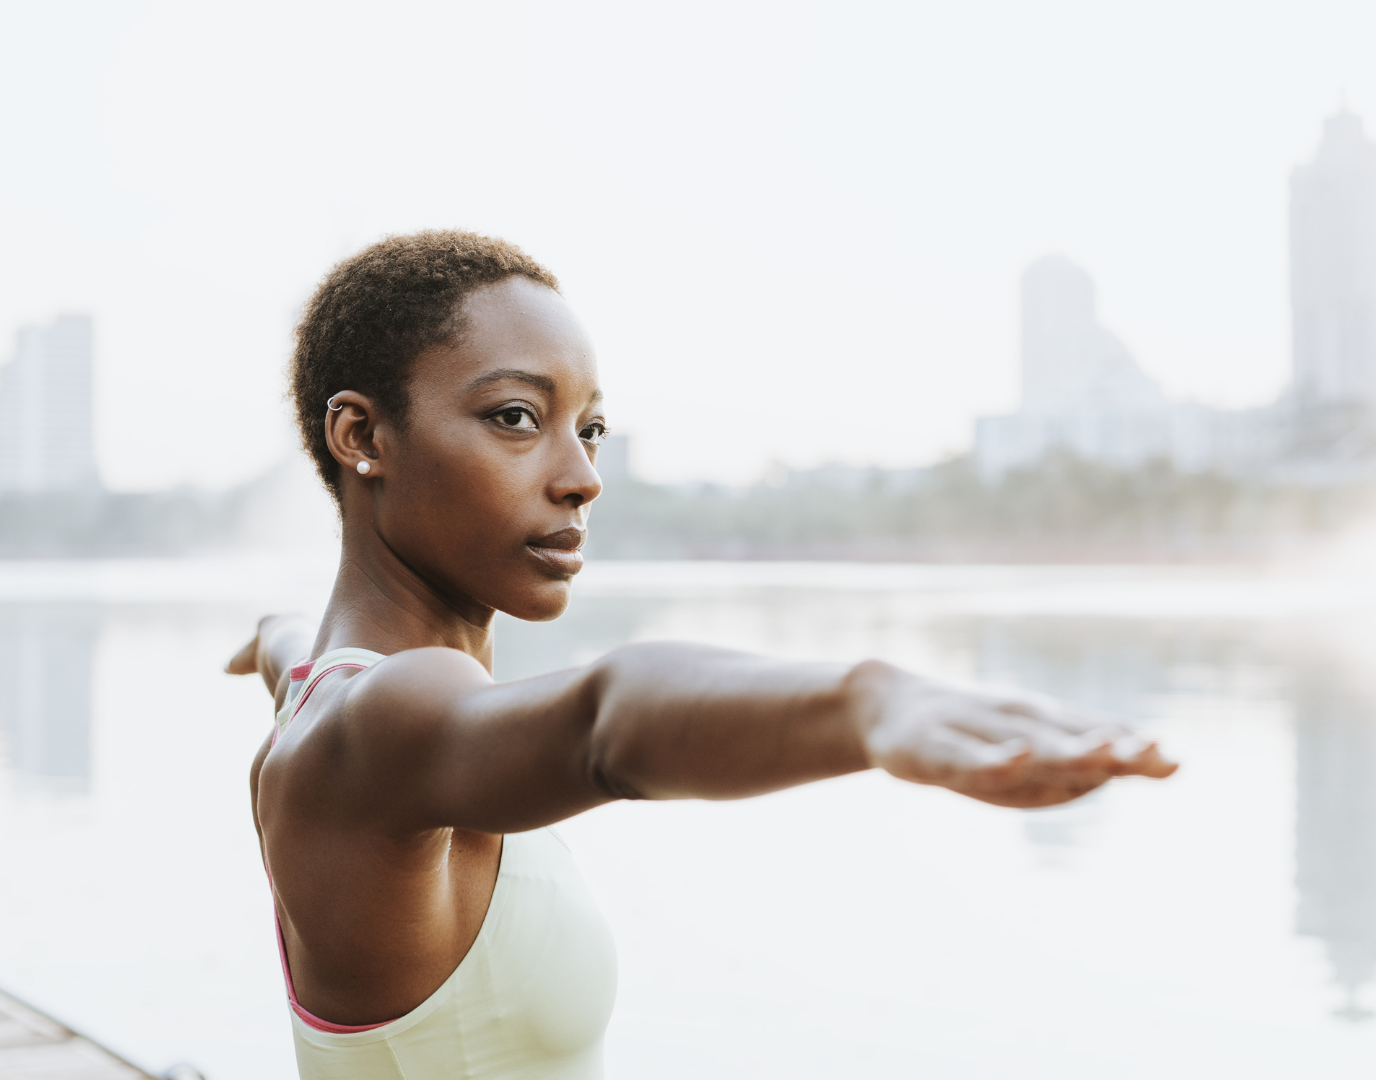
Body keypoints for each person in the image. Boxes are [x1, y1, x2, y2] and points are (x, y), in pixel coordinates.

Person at [226, 230, 1177, 1080]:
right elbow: (606, 720)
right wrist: (866, 705)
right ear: (361, 436)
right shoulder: (388, 720)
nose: (582, 478)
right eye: (516, 418)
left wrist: (270, 639)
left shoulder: (319, 692)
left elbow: (292, 653)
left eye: (588, 428)